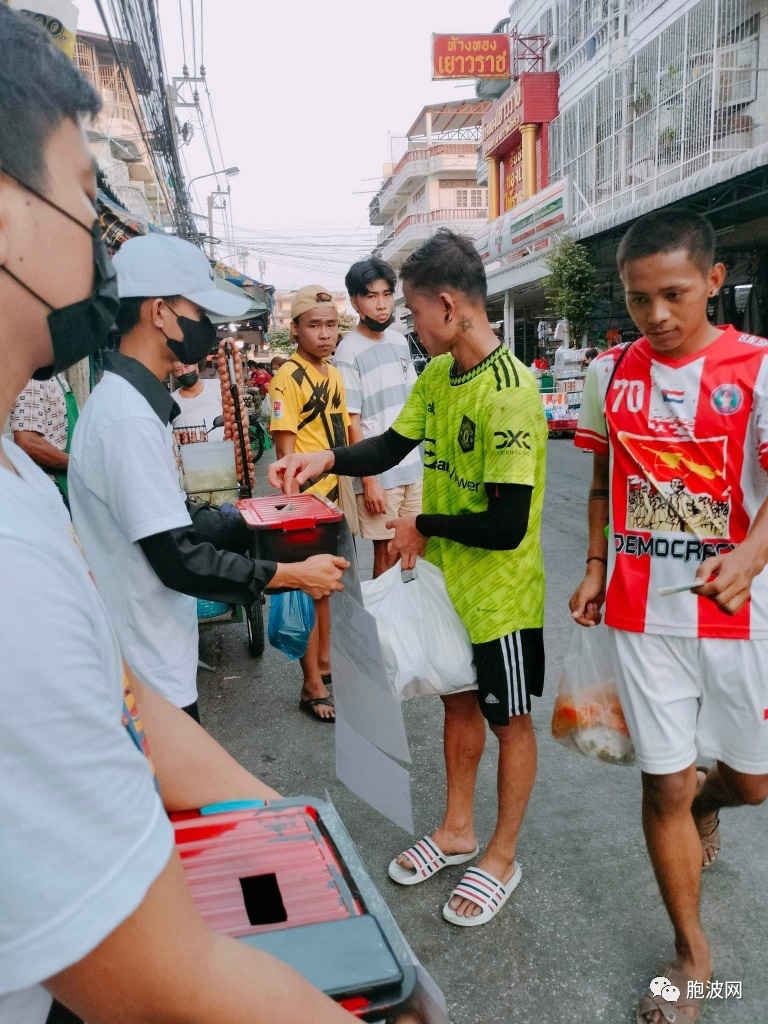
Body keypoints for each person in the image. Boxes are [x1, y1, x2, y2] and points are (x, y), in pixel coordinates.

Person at [0, 10, 370, 1024]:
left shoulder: (39, 461)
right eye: (83, 198)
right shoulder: (110, 426)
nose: (95, 242)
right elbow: (165, 979)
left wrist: (270, 817)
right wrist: (283, 571)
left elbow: (111, 681)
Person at [270, 230, 548, 926]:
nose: (409, 325)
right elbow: (392, 444)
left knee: (508, 718)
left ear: (449, 306)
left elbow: (507, 525)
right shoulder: (438, 375)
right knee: (457, 701)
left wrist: (425, 527)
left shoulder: (512, 394)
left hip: (502, 596)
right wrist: (323, 461)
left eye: (415, 312)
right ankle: (457, 831)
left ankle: (502, 854)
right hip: (449, 583)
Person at [570, 209, 768, 1024]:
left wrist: (749, 560)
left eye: (674, 295)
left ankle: (709, 804)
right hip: (641, 614)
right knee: (662, 787)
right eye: (639, 298)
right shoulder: (610, 372)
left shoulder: (757, 368)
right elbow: (601, 483)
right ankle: (691, 959)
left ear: (714, 282)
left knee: (753, 784)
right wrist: (591, 568)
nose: (656, 315)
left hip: (740, 617)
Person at [68, 234, 348, 720]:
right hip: (147, 671)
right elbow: (177, 557)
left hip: (156, 658)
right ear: (160, 313)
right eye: (199, 312)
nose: (209, 328)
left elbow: (176, 518)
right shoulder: (126, 419)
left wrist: (259, 522)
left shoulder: (136, 406)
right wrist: (285, 574)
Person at [269, 286, 351, 723]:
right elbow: (286, 456)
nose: (324, 334)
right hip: (306, 502)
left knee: (326, 591)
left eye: (331, 325)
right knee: (311, 588)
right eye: (314, 325)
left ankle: (325, 666)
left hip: (336, 497)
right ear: (295, 329)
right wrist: (295, 509)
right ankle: (311, 685)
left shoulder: (333, 375)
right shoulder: (288, 377)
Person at [336, 257, 423, 578]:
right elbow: (351, 420)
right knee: (386, 556)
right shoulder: (348, 350)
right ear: (355, 301)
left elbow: (412, 405)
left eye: (387, 294)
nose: (382, 305)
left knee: (414, 551)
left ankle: (408, 623)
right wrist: (369, 479)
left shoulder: (400, 341)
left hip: (413, 469)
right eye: (371, 296)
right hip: (379, 476)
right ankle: (384, 628)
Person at [9, 372, 77, 502]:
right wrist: (77, 465)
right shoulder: (35, 379)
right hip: (51, 491)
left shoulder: (53, 374)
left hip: (64, 485)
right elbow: (27, 443)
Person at [172, 359, 224, 441]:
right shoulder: (171, 401)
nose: (184, 372)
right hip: (188, 452)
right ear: (173, 374)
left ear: (196, 366)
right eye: (178, 370)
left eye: (187, 366)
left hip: (223, 450)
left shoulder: (218, 386)